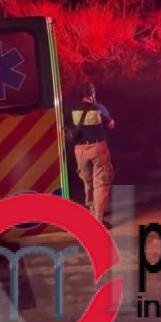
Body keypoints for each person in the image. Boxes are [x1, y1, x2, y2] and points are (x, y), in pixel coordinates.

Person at [69, 82, 115, 227]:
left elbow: (67, 128)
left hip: (80, 151)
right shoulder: (98, 108)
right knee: (100, 183)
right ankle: (98, 219)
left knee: (88, 183)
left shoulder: (71, 109)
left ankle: (91, 214)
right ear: (93, 93)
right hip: (98, 148)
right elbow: (110, 125)